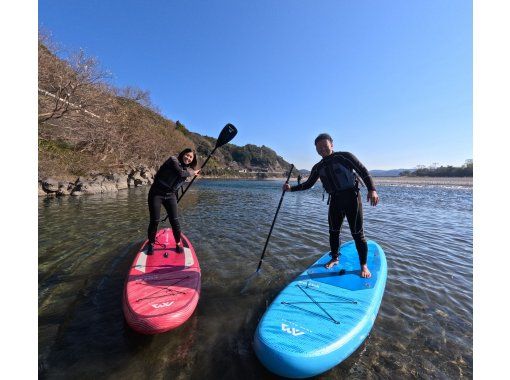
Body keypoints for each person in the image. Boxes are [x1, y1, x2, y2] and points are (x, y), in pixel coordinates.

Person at [282, 133, 379, 278]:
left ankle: (363, 265)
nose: (322, 149)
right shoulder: (318, 167)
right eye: (319, 148)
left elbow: (363, 170)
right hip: (335, 200)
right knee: (333, 231)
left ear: (331, 145)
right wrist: (291, 189)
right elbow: (308, 184)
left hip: (352, 198)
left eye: (325, 146)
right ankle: (334, 258)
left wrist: (372, 189)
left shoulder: (345, 156)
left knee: (357, 234)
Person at [146, 148, 200, 254]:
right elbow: (180, 173)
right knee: (154, 220)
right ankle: (151, 244)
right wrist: (194, 172)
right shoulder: (173, 160)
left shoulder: (188, 169)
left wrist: (192, 172)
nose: (188, 158)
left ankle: (178, 243)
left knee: (175, 221)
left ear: (192, 160)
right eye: (187, 155)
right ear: (182, 154)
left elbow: (183, 175)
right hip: (156, 193)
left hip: (170, 196)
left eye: (190, 157)